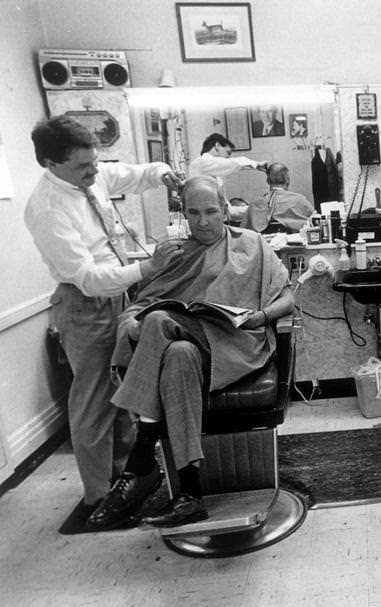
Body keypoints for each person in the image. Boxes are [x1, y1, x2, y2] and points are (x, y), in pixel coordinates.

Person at [86, 176, 294, 530]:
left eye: (211, 211)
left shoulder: (253, 245)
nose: (202, 221)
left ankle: (141, 455)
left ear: (225, 210)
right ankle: (191, 495)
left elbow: (288, 299)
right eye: (193, 212)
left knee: (159, 322)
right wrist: (132, 324)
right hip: (191, 346)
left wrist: (262, 316)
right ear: (183, 213)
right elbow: (140, 307)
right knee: (176, 349)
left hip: (236, 345)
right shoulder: (175, 255)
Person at [23, 115, 184, 512]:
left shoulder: (91, 177)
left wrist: (164, 174)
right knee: (95, 402)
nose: (94, 171)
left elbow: (138, 173)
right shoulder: (48, 209)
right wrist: (148, 268)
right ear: (50, 164)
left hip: (116, 298)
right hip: (83, 304)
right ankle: (99, 496)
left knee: (122, 392)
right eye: (83, 166)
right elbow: (89, 279)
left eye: (95, 161)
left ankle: (129, 479)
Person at [242, 162, 315, 233]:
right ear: (287, 180)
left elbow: (244, 232)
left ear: (268, 181)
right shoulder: (299, 200)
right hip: (294, 243)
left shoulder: (255, 204)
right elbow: (315, 221)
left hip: (262, 243)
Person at [187, 133, 267, 188]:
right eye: (227, 152)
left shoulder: (212, 168)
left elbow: (233, 165)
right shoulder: (202, 162)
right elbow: (232, 163)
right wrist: (256, 164)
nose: (227, 157)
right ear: (217, 146)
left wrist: (254, 167)